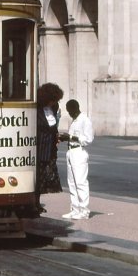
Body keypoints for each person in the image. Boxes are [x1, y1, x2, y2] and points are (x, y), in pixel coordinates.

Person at [58, 99, 94, 219]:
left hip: (79, 151)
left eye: (70, 111)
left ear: (75, 108)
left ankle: (84, 211)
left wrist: (71, 137)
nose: (69, 114)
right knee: (72, 183)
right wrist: (65, 138)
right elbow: (72, 137)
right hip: (71, 151)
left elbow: (88, 139)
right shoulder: (74, 121)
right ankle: (75, 208)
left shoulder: (85, 120)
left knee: (80, 182)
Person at [35, 82, 64, 214]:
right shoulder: (37, 109)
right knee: (37, 177)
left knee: (43, 178)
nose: (54, 103)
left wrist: (56, 135)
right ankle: (34, 202)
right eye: (53, 100)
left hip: (50, 146)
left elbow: (53, 124)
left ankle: (37, 202)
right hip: (39, 145)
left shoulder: (53, 108)